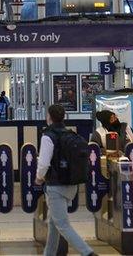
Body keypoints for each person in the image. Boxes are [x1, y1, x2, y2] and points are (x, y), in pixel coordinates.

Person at [35, 105, 98, 256]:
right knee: (53, 224)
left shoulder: (48, 136)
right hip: (71, 184)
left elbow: (44, 163)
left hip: (56, 185)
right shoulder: (69, 134)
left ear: (49, 117)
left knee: (62, 224)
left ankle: (88, 253)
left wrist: (38, 177)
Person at [90, 109, 133, 240]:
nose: (115, 118)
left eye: (115, 116)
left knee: (129, 199)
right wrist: (108, 152)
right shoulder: (99, 133)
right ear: (105, 121)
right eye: (111, 118)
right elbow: (95, 149)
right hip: (110, 174)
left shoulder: (126, 128)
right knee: (115, 201)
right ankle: (115, 228)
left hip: (129, 171)